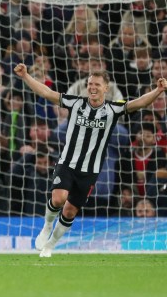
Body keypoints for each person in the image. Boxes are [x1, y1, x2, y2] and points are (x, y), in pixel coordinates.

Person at [14, 63, 167, 257]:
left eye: (97, 84)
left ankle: (51, 245)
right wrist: (26, 76)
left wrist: (158, 90)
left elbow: (140, 103)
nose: (92, 87)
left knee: (70, 212)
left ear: (106, 88)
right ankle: (47, 226)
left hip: (90, 170)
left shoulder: (113, 109)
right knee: (59, 199)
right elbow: (47, 93)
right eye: (90, 84)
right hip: (67, 163)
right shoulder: (75, 102)